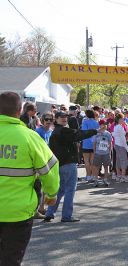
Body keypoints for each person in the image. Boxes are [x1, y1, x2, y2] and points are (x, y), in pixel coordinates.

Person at [0, 92, 59, 265]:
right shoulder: (30, 137)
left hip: (18, 212)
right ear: (19, 111)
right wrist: (51, 194)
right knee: (10, 260)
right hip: (18, 212)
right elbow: (50, 168)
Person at [45, 110, 97, 223]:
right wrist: (95, 131)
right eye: (61, 117)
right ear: (56, 119)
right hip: (68, 163)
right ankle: (66, 216)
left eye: (65, 117)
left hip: (59, 164)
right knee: (70, 190)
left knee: (60, 190)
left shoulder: (55, 131)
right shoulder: (63, 131)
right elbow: (79, 135)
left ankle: (50, 212)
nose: (64, 118)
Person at [92, 119, 112, 187]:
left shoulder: (108, 133)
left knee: (106, 167)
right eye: (104, 124)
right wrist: (94, 152)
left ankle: (105, 179)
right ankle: (96, 180)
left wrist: (109, 152)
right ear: (100, 125)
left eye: (106, 124)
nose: (105, 125)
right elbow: (94, 143)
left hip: (106, 153)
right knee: (96, 167)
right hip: (98, 153)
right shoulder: (96, 133)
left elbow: (110, 143)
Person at [81, 110, 100, 182]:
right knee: (92, 160)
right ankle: (92, 175)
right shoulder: (96, 122)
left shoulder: (85, 121)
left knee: (86, 161)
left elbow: (84, 131)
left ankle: (88, 176)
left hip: (86, 143)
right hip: (94, 143)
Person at [112, 113, 128, 183]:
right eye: (123, 119)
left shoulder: (117, 126)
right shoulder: (119, 127)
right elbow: (123, 139)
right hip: (121, 145)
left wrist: (126, 125)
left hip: (117, 145)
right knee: (124, 160)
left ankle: (119, 175)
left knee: (118, 160)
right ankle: (122, 176)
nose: (124, 120)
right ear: (119, 119)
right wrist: (127, 148)